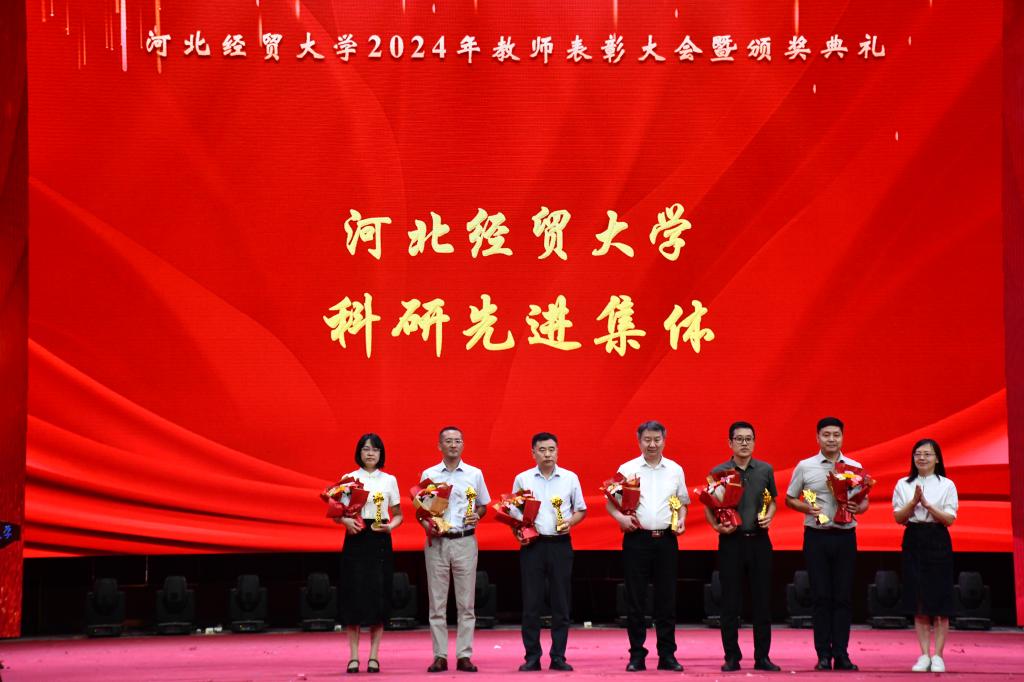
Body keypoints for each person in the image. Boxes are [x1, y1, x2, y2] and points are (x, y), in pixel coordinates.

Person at [785, 416, 869, 672]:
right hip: (817, 537)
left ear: (842, 437)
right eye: (826, 435)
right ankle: (823, 654)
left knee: (843, 597)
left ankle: (841, 654)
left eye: (836, 435)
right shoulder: (805, 466)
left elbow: (864, 501)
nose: (831, 439)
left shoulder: (854, 467)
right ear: (818, 437)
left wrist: (858, 507)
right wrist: (806, 508)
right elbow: (790, 498)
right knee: (821, 596)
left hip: (845, 536)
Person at [606, 420, 689, 672]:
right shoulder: (627, 468)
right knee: (636, 599)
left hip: (666, 540)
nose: (652, 444)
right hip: (636, 540)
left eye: (657, 439)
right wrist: (620, 519)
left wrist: (682, 519)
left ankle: (667, 655)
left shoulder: (675, 469)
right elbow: (611, 502)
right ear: (639, 440)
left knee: (667, 599)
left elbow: (682, 502)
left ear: (664, 440)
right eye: (647, 440)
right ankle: (636, 655)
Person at [706, 421, 781, 673]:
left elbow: (772, 500)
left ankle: (763, 657)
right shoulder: (718, 471)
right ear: (730, 443)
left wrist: (769, 515)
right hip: (731, 541)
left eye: (749, 439)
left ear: (754, 442)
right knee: (730, 602)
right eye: (739, 439)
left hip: (759, 540)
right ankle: (731, 657)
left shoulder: (765, 470)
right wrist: (717, 527)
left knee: (762, 601)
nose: (744, 443)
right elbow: (709, 506)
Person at [512, 432, 587, 672]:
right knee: (531, 604)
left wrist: (570, 522)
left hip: (560, 544)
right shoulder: (523, 479)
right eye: (542, 450)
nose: (547, 454)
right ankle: (532, 657)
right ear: (533, 453)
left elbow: (581, 509)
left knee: (561, 603)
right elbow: (514, 512)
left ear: (557, 451)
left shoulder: (570, 478)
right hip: (533, 546)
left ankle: (558, 657)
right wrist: (518, 531)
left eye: (551, 449)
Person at [420, 426, 491, 673]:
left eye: (458, 441)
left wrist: (477, 515)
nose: (453, 445)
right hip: (437, 542)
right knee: (437, 602)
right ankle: (439, 655)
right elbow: (422, 510)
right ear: (439, 445)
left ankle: (464, 655)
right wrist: (429, 525)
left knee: (466, 603)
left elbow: (483, 505)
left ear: (463, 445)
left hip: (465, 540)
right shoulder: (429, 474)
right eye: (448, 441)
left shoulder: (474, 474)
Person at [335, 433, 403, 674]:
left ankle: (374, 656)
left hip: (379, 537)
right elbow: (336, 512)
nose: (370, 453)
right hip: (356, 538)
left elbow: (398, 514)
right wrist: (345, 521)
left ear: (381, 453)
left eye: (375, 449)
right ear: (359, 453)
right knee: (353, 595)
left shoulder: (389, 480)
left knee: (378, 595)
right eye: (365, 449)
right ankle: (353, 656)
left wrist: (390, 526)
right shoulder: (348, 479)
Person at [893, 438, 958, 673]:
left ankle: (938, 655)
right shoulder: (903, 484)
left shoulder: (946, 484)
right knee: (918, 599)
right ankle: (924, 655)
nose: (922, 458)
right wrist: (913, 502)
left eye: (927, 454)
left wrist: (928, 505)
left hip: (937, 538)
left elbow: (949, 519)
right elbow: (898, 517)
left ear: (937, 458)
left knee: (940, 600)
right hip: (914, 538)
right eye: (918, 454)